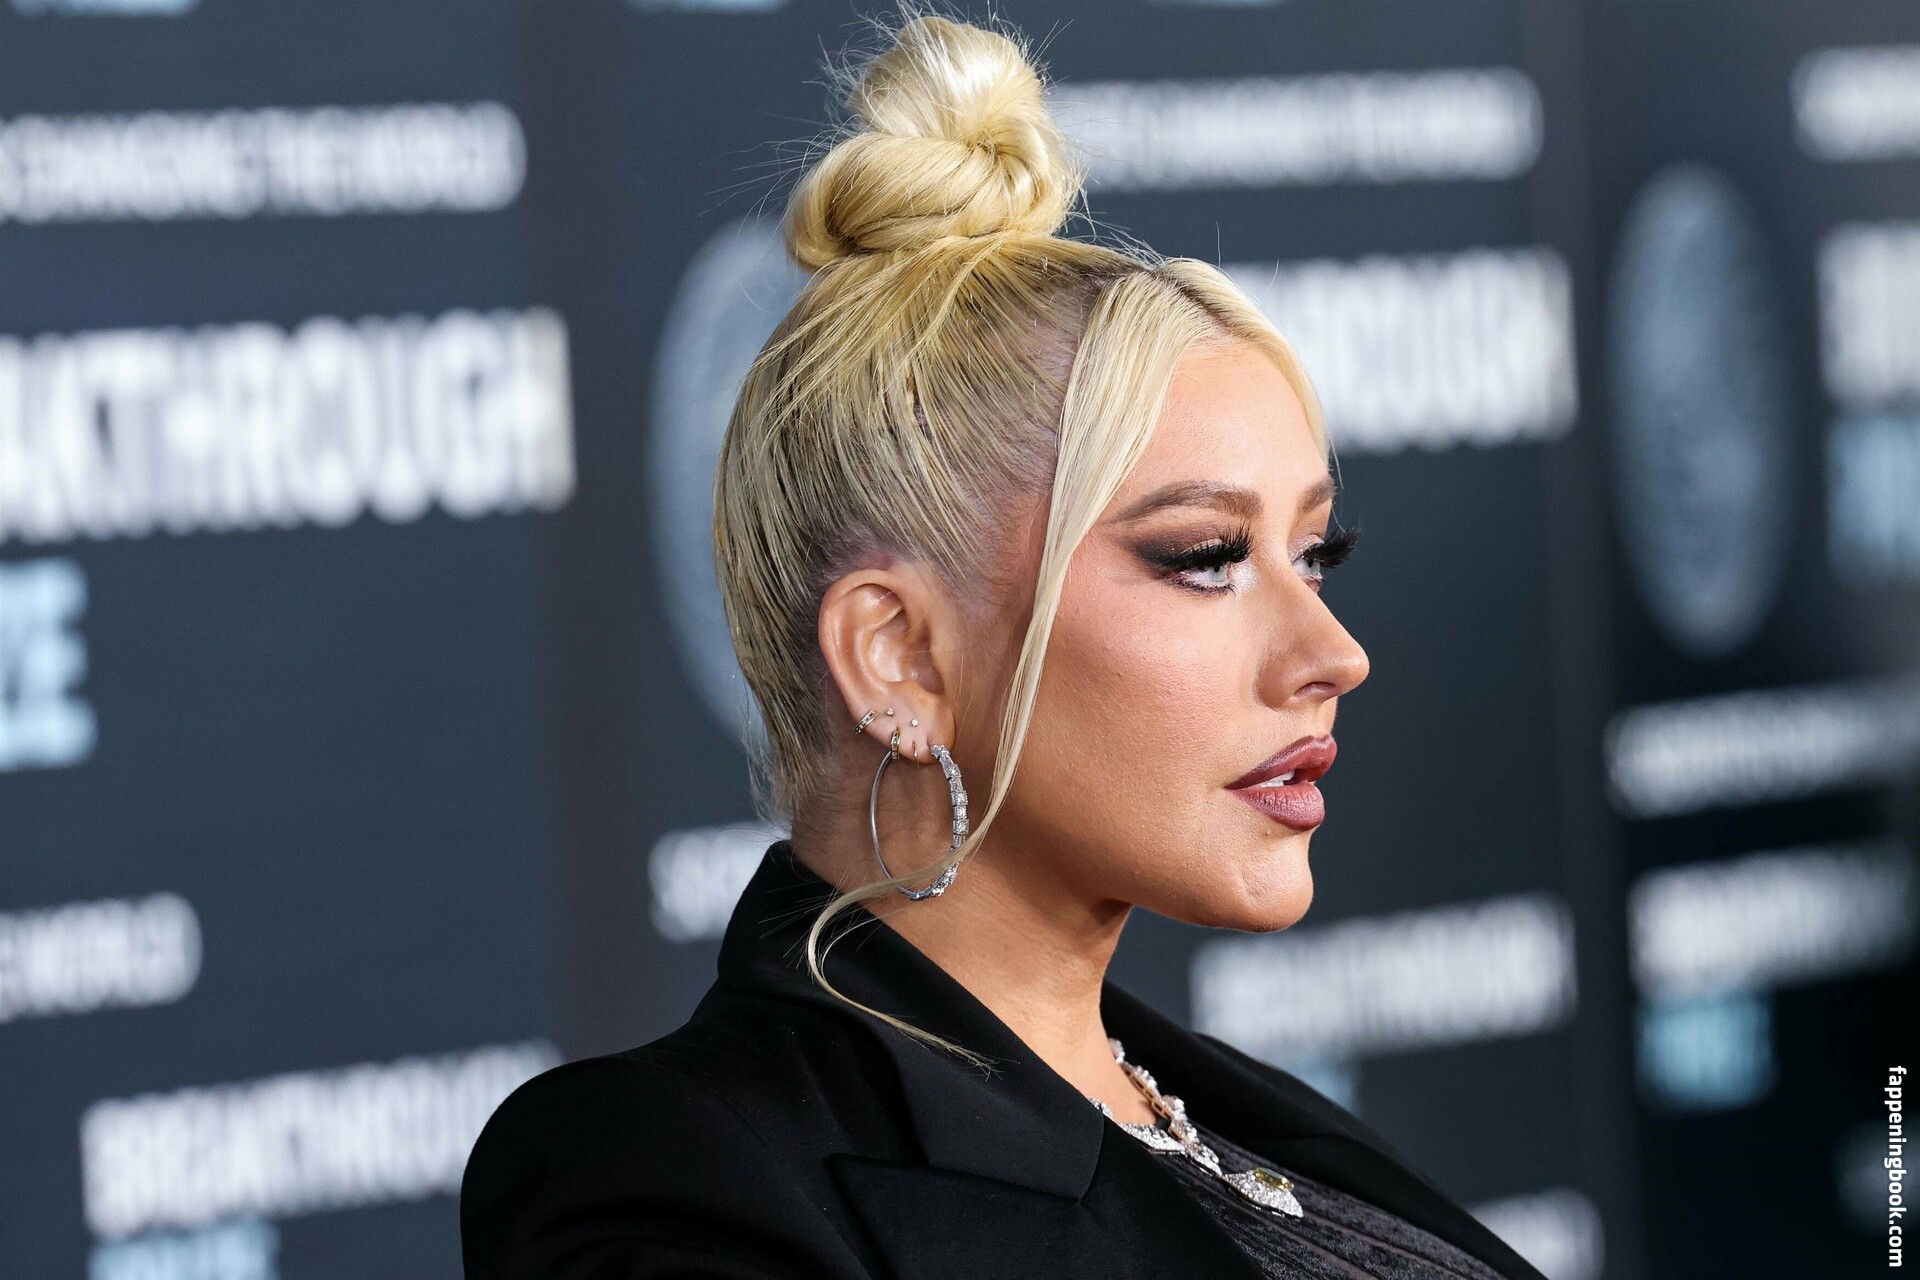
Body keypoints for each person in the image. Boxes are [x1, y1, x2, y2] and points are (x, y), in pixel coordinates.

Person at [462, 8, 1547, 1278]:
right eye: (1204, 555)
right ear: (900, 658)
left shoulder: (1244, 1113)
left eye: (1315, 553)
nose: (1333, 652)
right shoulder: (670, 1183)